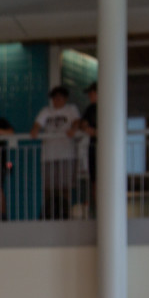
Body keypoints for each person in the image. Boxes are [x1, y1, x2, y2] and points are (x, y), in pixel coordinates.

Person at [31, 86, 81, 220]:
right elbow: (38, 123)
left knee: (65, 186)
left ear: (65, 99)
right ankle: (49, 212)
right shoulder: (46, 111)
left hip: (66, 153)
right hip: (49, 155)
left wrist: (74, 129)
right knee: (49, 186)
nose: (56, 100)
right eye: (54, 98)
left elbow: (76, 121)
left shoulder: (71, 109)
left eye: (59, 98)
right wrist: (35, 130)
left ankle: (64, 212)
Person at [78, 83, 99, 214]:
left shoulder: (110, 106)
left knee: (105, 179)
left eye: (92, 93)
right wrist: (86, 129)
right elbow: (82, 123)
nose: (90, 96)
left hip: (105, 149)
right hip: (93, 148)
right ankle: (97, 210)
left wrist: (97, 132)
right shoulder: (90, 108)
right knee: (94, 179)